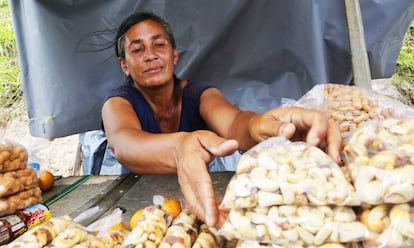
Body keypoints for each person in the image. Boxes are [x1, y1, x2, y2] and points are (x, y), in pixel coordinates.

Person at [101, 11, 342, 229]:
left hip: (200, 203)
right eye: (137, 49)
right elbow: (124, 143)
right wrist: (180, 148)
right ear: (124, 65)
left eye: (159, 45)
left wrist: (259, 126)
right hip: (138, 209)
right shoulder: (118, 103)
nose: (150, 56)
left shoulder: (199, 94)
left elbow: (236, 123)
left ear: (174, 55)